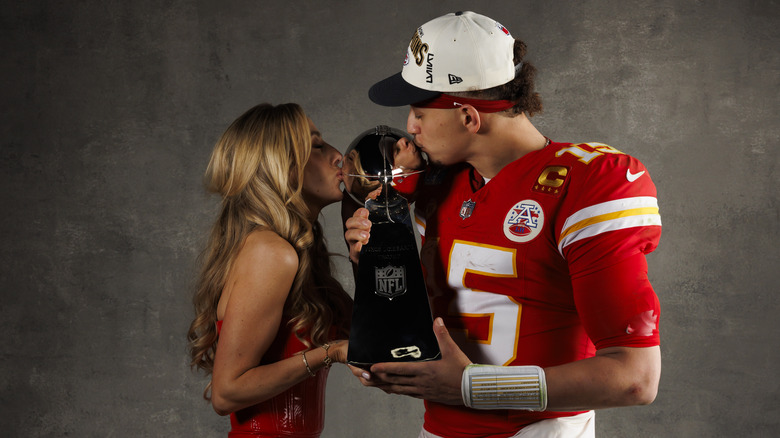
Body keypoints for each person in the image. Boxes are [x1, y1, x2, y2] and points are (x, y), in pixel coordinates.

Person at [344, 11, 662, 438]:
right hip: (436, 430)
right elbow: (413, 330)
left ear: (469, 117)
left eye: (420, 109)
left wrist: (472, 387)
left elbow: (635, 377)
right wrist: (376, 278)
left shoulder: (589, 182)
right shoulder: (431, 186)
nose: (411, 127)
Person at [188, 103, 353, 437]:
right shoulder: (272, 253)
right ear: (282, 166)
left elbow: (372, 338)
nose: (339, 157)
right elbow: (226, 392)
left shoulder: (298, 254)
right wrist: (329, 352)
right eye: (317, 146)